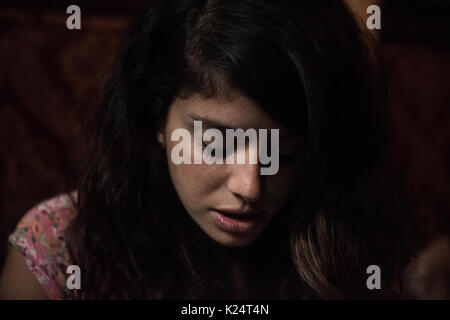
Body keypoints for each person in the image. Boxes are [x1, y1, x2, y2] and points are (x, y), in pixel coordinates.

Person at [0, 0, 415, 299]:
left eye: (284, 152)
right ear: (154, 117)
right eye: (217, 144)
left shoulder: (346, 247)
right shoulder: (60, 254)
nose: (250, 187)